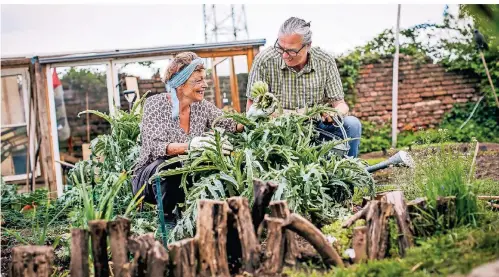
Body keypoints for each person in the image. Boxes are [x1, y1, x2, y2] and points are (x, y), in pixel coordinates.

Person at [132, 52, 243, 228]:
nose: (205, 85)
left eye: (204, 79)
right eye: (198, 80)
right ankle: (167, 223)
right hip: (150, 181)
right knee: (169, 166)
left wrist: (251, 118)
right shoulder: (155, 105)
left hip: (186, 176)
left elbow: (230, 124)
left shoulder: (202, 107)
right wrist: (191, 146)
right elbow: (155, 147)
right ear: (181, 84)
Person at [246, 17, 362, 158]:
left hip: (318, 130)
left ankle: (347, 172)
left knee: (352, 124)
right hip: (279, 132)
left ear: (308, 45)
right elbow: (251, 108)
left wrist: (335, 113)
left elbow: (340, 104)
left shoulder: (325, 61)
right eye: (280, 47)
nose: (284, 55)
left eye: (291, 51)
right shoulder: (264, 60)